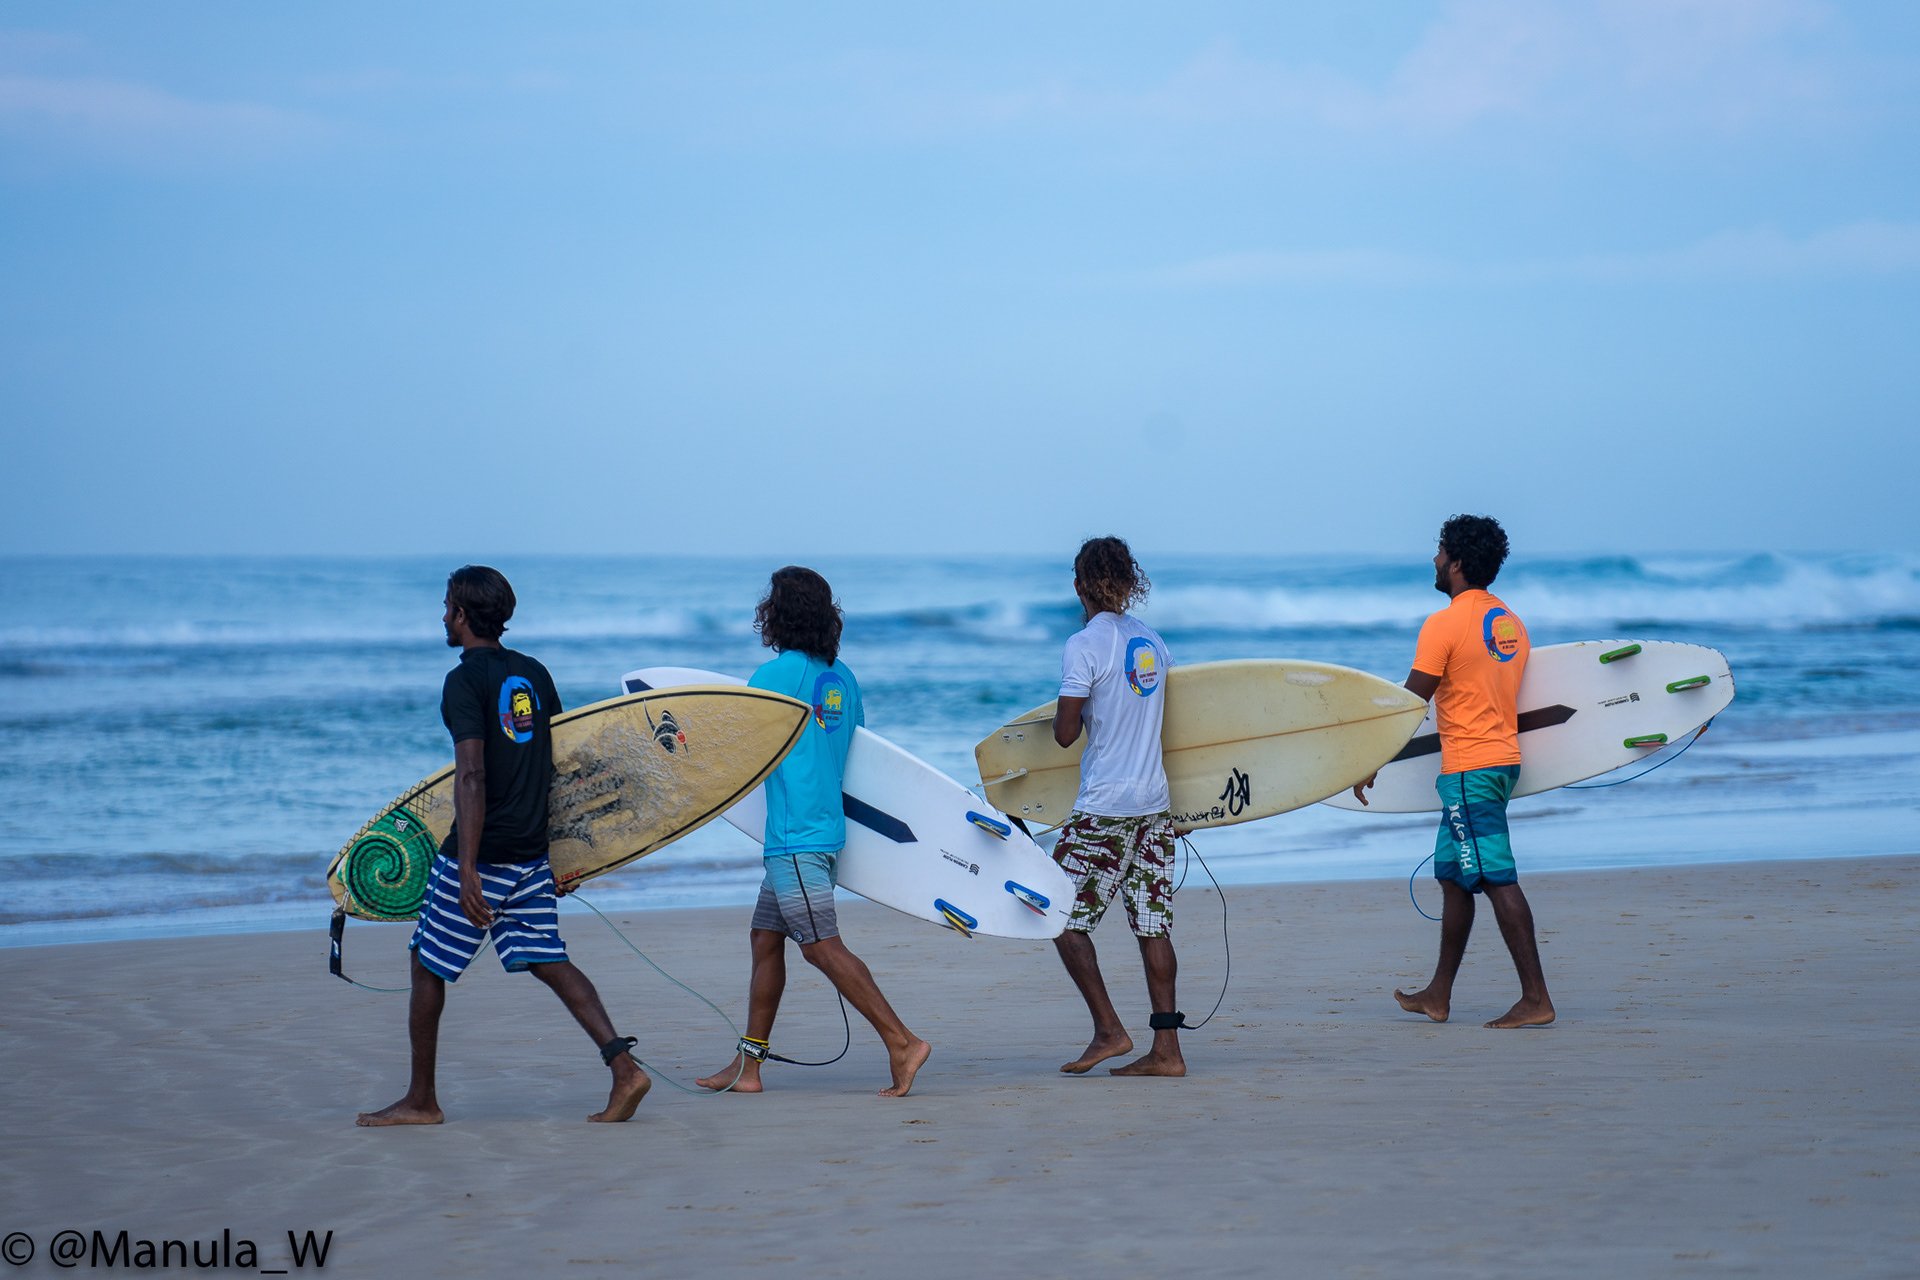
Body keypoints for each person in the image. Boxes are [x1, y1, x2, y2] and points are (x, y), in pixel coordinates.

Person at [357, 565, 652, 1126]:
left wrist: (467, 868)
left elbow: (471, 774)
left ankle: (421, 1101)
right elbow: (560, 765)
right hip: (530, 851)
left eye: (448, 605)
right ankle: (625, 1070)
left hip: (485, 851)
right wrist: (566, 854)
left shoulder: (463, 682)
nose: (444, 615)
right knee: (549, 959)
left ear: (463, 613)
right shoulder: (534, 673)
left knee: (427, 962)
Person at [695, 567, 931, 1098]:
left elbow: (740, 751)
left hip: (795, 839)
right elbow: (859, 754)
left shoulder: (775, 676)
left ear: (778, 614)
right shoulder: (843, 678)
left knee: (821, 947)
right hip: (823, 831)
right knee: (765, 939)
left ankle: (902, 1042)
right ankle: (748, 1067)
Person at [1352, 515, 1556, 1029]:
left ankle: (1536, 999)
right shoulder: (1508, 622)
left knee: (1493, 876)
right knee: (1453, 877)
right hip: (1498, 761)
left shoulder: (1444, 623)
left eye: (1441, 552)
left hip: (1471, 769)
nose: (1435, 559)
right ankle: (1437, 995)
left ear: (1458, 562)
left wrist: (1369, 759)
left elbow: (1409, 704)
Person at [1048, 536, 1187, 1077]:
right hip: (1154, 804)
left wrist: (1068, 714)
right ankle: (1167, 1051)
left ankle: (1109, 1030)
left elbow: (1065, 734)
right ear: (1130, 583)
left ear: (1078, 585)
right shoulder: (1153, 641)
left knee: (1057, 912)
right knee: (1153, 925)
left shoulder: (1084, 644)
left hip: (1105, 806)